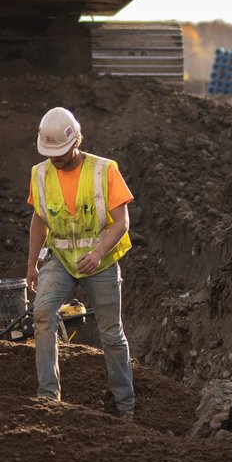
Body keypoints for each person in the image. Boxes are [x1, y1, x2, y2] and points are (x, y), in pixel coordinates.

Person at [25, 107, 136, 418]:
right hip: (60, 259)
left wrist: (99, 252)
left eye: (60, 152)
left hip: (98, 263)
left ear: (76, 141)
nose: (55, 159)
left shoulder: (104, 170)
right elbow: (39, 219)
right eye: (50, 153)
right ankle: (48, 396)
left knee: (112, 333)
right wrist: (32, 264)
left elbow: (121, 222)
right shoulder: (40, 173)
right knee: (43, 314)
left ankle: (124, 404)